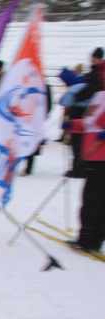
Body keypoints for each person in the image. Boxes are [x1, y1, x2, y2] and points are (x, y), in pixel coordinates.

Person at [67, 61, 105, 253]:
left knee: (95, 201)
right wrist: (73, 124)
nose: (101, 76)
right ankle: (89, 238)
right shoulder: (100, 95)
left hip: (102, 157)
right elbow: (91, 121)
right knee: (91, 199)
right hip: (93, 155)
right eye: (101, 72)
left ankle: (91, 240)